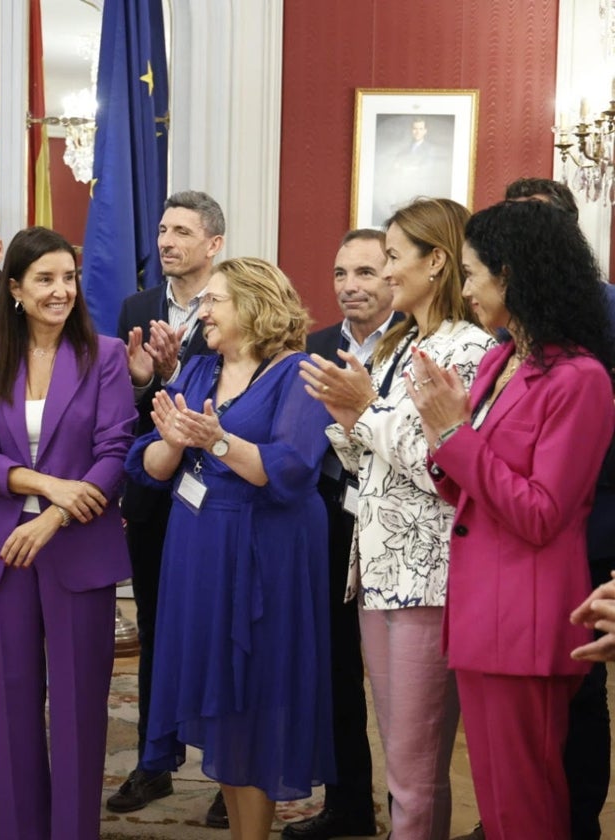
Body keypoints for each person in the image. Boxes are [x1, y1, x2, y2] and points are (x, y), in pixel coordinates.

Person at [406, 199, 615, 839]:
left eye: (471, 274)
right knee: (499, 807)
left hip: (526, 616)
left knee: (526, 808)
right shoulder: (503, 360)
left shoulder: (580, 380)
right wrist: (446, 444)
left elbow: (541, 512)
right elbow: (472, 490)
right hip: (480, 606)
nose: (463, 290)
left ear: (513, 276)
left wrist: (453, 435)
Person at [301, 197, 493, 839]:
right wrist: (347, 412)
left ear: (435, 261)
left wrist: (366, 413)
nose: (382, 274)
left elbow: (443, 468)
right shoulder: (401, 343)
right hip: (380, 568)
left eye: (390, 257)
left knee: (414, 772)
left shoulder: (468, 349)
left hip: (428, 573)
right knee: (401, 766)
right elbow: (373, 460)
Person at [127, 257, 335, 840]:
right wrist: (172, 444)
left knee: (258, 700)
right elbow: (145, 464)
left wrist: (216, 441)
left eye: (215, 300)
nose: (203, 310)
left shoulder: (299, 374)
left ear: (254, 304)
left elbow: (290, 470)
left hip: (266, 555)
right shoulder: (196, 371)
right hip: (198, 548)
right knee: (223, 702)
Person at [0, 226, 135, 840]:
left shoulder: (105, 354)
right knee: (10, 706)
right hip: (5, 548)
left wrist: (56, 512)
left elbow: (116, 452)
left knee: (78, 706)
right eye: (45, 279)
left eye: (68, 278)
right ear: (14, 289)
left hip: (77, 546)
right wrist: (49, 488)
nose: (60, 290)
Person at [109, 190, 228, 825]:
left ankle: (227, 771)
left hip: (222, 497)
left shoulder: (236, 300)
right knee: (156, 626)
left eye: (181, 230)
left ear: (213, 244)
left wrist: (179, 370)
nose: (165, 240)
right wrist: (142, 379)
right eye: (161, 229)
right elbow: (126, 408)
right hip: (157, 490)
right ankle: (154, 761)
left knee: (219, 630)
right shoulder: (137, 306)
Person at [285, 229, 399, 840]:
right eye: (339, 273)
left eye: (365, 272)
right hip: (327, 522)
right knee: (333, 670)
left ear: (394, 276)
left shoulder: (418, 343)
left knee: (401, 680)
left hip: (397, 527)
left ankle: (409, 808)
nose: (350, 286)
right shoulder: (313, 348)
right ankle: (349, 802)